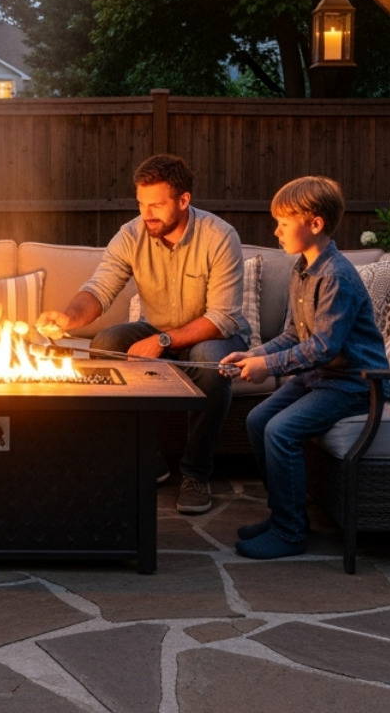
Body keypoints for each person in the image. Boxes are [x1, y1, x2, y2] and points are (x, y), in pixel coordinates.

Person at [36, 154, 247, 516]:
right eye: (141, 204)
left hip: (215, 333)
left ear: (183, 201)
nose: (147, 213)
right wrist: (68, 317)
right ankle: (149, 460)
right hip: (160, 326)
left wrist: (163, 341)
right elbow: (100, 289)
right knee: (105, 345)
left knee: (208, 363)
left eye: (157, 205)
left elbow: (222, 317)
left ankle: (196, 473)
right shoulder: (132, 234)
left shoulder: (220, 237)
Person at [220, 175, 389, 559]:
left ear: (314, 224)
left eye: (283, 221)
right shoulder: (301, 270)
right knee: (257, 419)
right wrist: (254, 355)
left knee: (280, 431)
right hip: (321, 377)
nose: (275, 229)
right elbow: (294, 336)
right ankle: (285, 513)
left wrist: (269, 367)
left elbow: (324, 347)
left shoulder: (336, 276)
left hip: (353, 384)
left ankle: (290, 532)